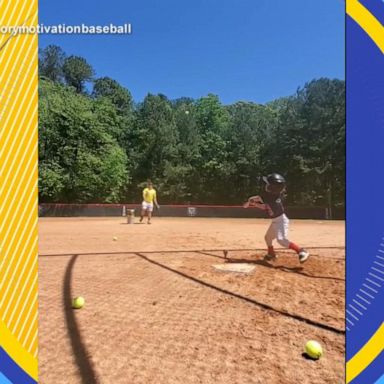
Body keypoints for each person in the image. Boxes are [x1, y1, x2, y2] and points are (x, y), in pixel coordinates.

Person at [243, 173, 309, 263]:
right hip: (276, 221)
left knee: (281, 240)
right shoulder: (272, 196)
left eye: (268, 184)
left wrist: (251, 200)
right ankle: (271, 254)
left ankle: (301, 251)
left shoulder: (271, 198)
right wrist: (253, 203)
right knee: (268, 238)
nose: (266, 186)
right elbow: (264, 206)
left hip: (281, 221)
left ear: (273, 188)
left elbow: (258, 198)